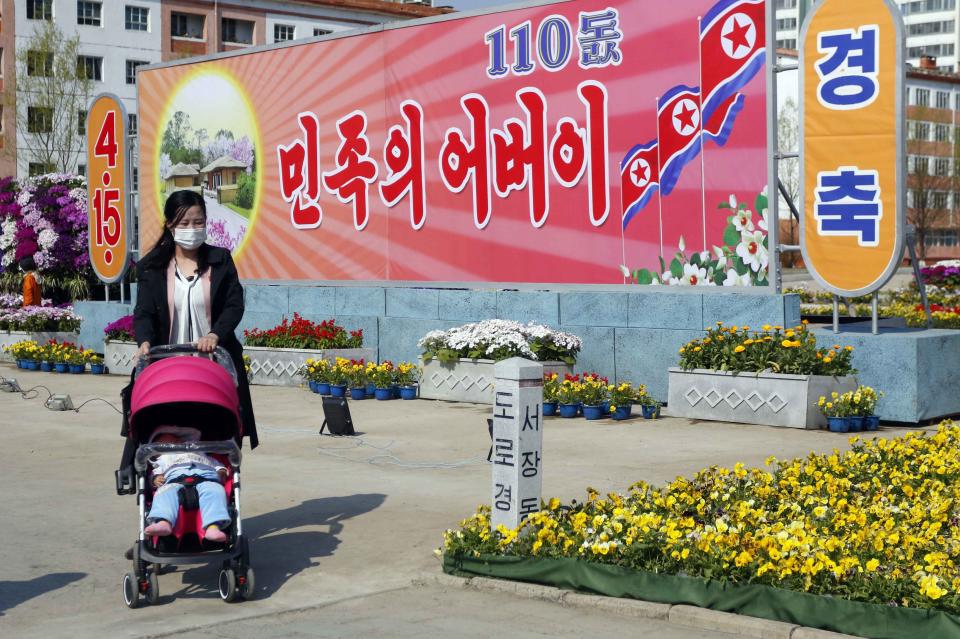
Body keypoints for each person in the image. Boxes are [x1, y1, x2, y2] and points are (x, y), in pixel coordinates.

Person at [132, 189, 258, 448]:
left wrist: (215, 334)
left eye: (198, 222)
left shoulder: (220, 260)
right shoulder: (151, 267)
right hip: (168, 371)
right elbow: (143, 312)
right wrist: (144, 341)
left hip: (213, 369)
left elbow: (234, 305)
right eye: (185, 223)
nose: (192, 228)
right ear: (170, 225)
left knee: (217, 437)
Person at [144, 427, 229, 542]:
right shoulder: (161, 460)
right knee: (163, 493)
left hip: (206, 478)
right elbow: (154, 474)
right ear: (157, 453)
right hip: (175, 480)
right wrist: (155, 479)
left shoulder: (200, 453)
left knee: (216, 491)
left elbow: (217, 465)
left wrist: (221, 471)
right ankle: (164, 522)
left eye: (176, 440)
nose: (174, 444)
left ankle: (213, 528)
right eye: (167, 444)